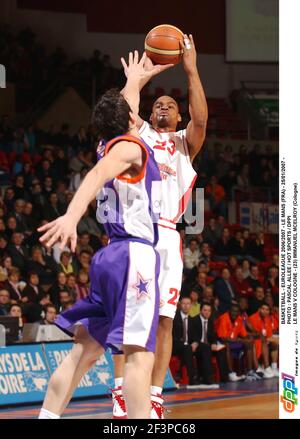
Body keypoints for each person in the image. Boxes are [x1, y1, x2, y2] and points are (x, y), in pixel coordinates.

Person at [38, 51, 169, 420]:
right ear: (130, 120)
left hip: (109, 258)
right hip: (134, 256)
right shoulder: (128, 148)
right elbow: (94, 178)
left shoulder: (107, 142)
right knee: (139, 356)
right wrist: (71, 216)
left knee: (84, 351)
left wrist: (134, 79)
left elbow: (121, 110)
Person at [112, 34, 207, 419]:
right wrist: (140, 79)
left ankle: (153, 395)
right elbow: (116, 115)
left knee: (164, 320)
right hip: (137, 229)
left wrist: (191, 69)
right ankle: (120, 392)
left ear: (178, 117)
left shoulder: (186, 142)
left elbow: (201, 118)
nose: (164, 107)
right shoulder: (142, 136)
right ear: (150, 116)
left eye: (171, 104)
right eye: (158, 105)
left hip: (167, 235)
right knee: (127, 316)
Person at [172, 297, 199, 385]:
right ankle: (192, 378)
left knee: (204, 348)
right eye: (184, 304)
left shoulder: (192, 320)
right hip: (175, 346)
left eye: (188, 304)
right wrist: (185, 344)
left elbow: (195, 336)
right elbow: (172, 336)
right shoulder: (174, 318)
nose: (186, 306)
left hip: (188, 347)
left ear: (191, 305)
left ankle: (205, 376)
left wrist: (195, 342)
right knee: (187, 348)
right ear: (180, 305)